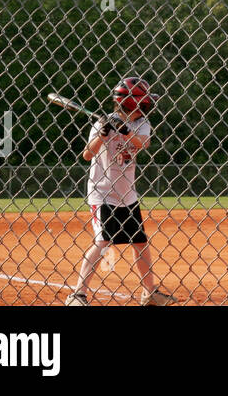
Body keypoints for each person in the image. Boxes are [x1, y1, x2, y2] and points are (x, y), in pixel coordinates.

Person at [65, 77, 175, 306]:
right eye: (144, 100)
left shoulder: (141, 124)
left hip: (128, 195)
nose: (148, 105)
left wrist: (125, 132)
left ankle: (149, 292)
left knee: (140, 242)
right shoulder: (101, 124)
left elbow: (142, 143)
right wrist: (102, 135)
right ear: (132, 103)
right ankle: (78, 294)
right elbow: (87, 155)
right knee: (103, 240)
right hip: (102, 192)